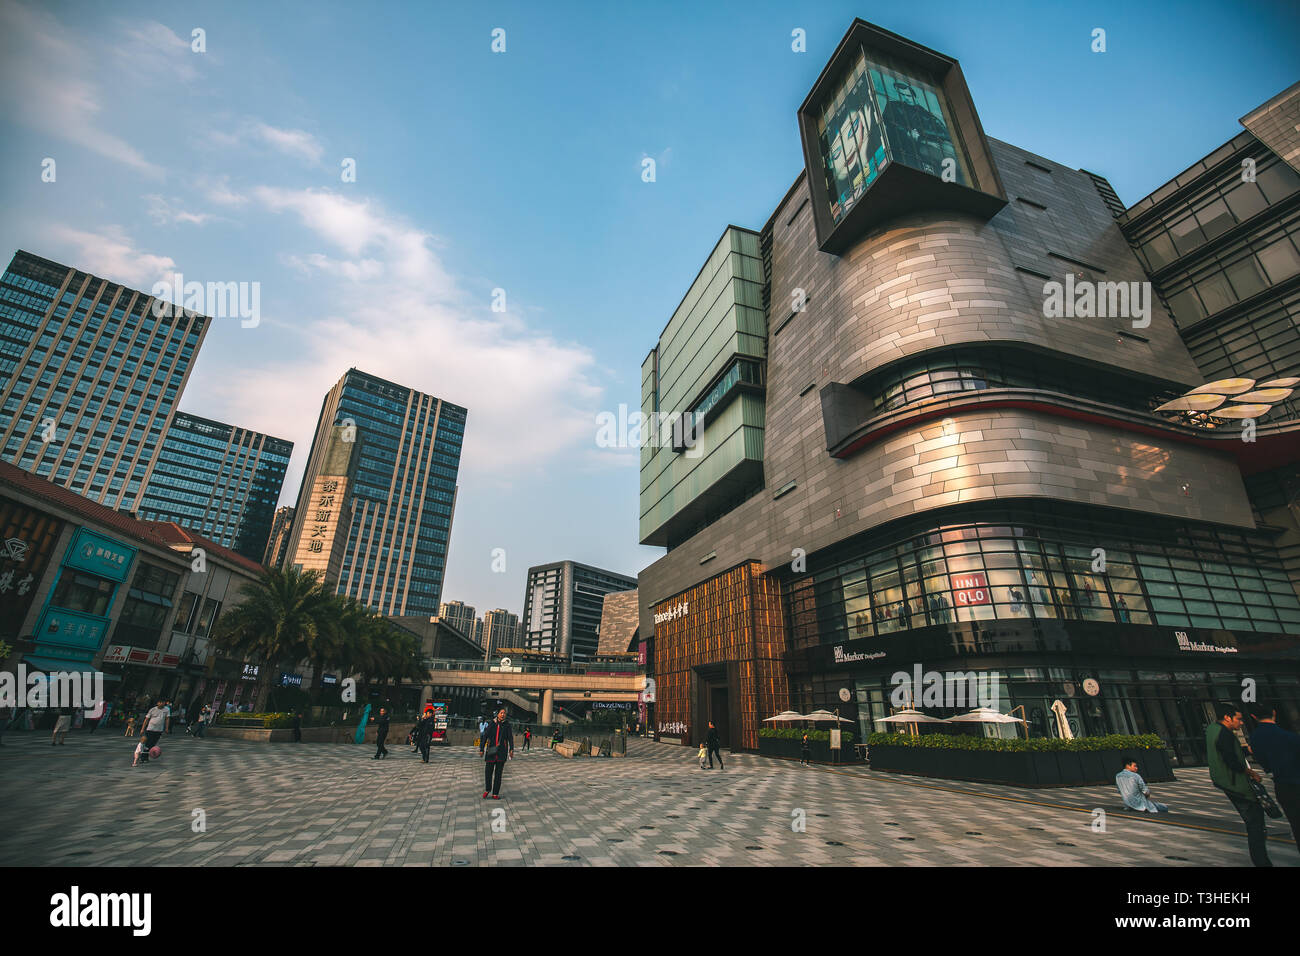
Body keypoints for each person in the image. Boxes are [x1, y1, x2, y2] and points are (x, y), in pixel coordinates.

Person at [1206, 703, 1271, 867]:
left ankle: (1262, 861)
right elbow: (1231, 760)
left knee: (1254, 823)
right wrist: (1252, 773)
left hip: (1225, 782)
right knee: (1255, 824)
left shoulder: (1212, 729)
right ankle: (1262, 862)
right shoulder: (1225, 734)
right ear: (1227, 718)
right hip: (1236, 785)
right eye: (1239, 719)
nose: (1241, 723)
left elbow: (1227, 752)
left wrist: (1246, 750)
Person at [1248, 703, 1300, 846]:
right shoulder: (1289, 735)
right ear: (1274, 713)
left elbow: (1264, 762)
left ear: (1254, 717)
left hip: (1283, 785)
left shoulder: (1255, 738)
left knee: (1296, 823)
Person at [479, 708, 514, 799]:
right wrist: (481, 748)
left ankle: (495, 793)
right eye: (501, 713)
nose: (503, 714)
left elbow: (510, 738)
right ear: (497, 714)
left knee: (498, 774)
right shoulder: (492, 723)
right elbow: (485, 736)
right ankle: (487, 789)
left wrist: (511, 749)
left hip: (502, 752)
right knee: (488, 772)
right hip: (491, 751)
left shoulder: (507, 725)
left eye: (504, 713)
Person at [139, 698, 170, 764]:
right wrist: (142, 729)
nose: (162, 703)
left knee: (153, 744)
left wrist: (167, 728)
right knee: (147, 744)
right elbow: (146, 719)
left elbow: (167, 719)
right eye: (160, 702)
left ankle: (146, 756)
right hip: (150, 729)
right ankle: (143, 757)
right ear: (157, 703)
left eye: (163, 702)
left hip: (159, 730)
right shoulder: (152, 709)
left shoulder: (167, 710)